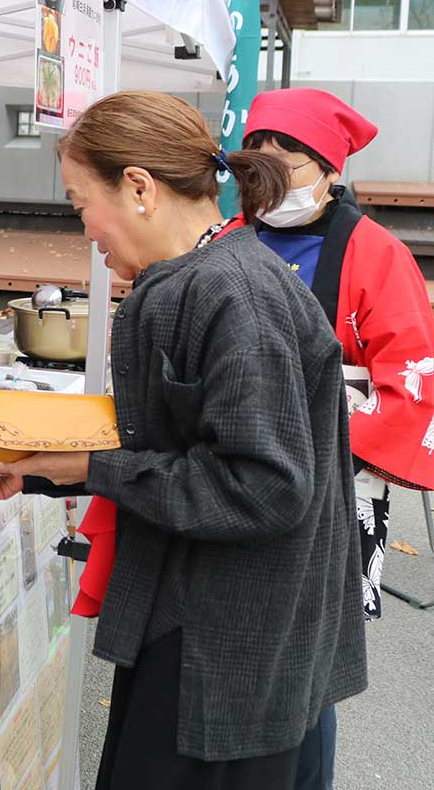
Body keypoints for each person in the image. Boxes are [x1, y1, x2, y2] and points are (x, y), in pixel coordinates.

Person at [0, 91, 367, 789]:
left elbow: (264, 484)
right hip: (220, 639)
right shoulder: (213, 276)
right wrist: (45, 471)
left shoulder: (232, 291)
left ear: (140, 188)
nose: (88, 229)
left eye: (81, 200)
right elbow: (183, 442)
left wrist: (95, 466)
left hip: (226, 657)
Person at [242, 87, 434, 790]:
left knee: (310, 659)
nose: (262, 166)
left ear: (326, 165)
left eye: (282, 154)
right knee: (238, 635)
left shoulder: (377, 253)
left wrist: (319, 428)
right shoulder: (230, 235)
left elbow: (414, 378)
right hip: (233, 472)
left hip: (337, 477)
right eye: (253, 152)